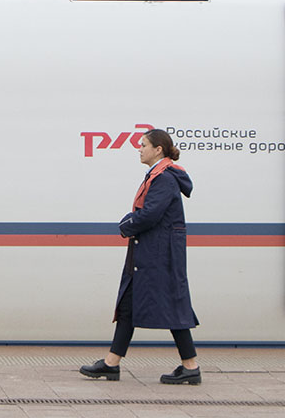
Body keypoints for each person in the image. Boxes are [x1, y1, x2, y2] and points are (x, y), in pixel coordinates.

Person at [80, 128, 202, 385]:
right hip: (151, 252)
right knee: (129, 305)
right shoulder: (159, 176)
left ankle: (190, 366)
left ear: (158, 149)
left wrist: (126, 225)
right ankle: (112, 363)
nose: (139, 148)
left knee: (173, 306)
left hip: (159, 255)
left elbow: (150, 214)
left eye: (144, 144)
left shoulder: (164, 178)